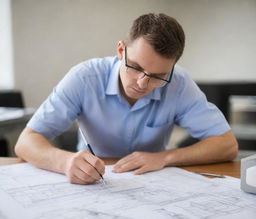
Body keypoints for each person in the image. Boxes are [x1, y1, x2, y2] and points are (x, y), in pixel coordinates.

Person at [15, 13, 238, 185]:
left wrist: (164, 157)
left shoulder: (178, 83)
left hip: (152, 182)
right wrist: (64, 162)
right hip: (91, 179)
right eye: (136, 67)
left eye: (158, 76)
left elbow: (227, 145)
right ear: (121, 50)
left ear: (172, 67)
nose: (142, 83)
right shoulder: (84, 78)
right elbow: (26, 141)